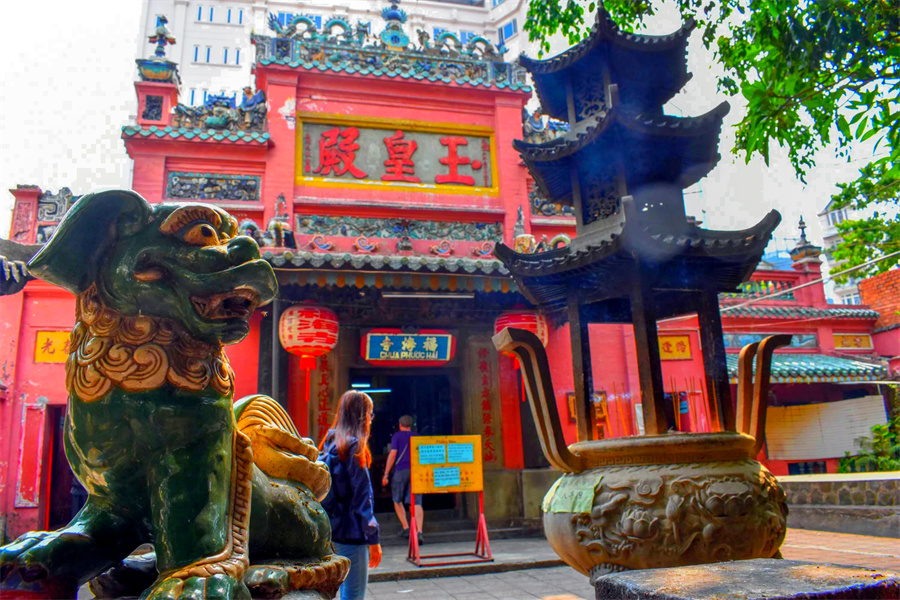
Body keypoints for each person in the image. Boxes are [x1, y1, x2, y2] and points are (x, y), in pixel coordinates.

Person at [320, 390, 382, 600]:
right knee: (353, 595)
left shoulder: (329, 442)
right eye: (370, 413)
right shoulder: (355, 447)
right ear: (361, 415)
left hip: (333, 530)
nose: (371, 419)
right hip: (352, 533)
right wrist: (373, 538)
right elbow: (362, 500)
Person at [381, 414, 424, 545]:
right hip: (415, 471)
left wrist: (386, 474)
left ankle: (406, 528)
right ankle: (419, 532)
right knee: (416, 502)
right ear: (411, 426)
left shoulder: (397, 436)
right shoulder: (417, 438)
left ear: (400, 425)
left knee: (397, 499)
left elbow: (393, 454)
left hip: (400, 470)